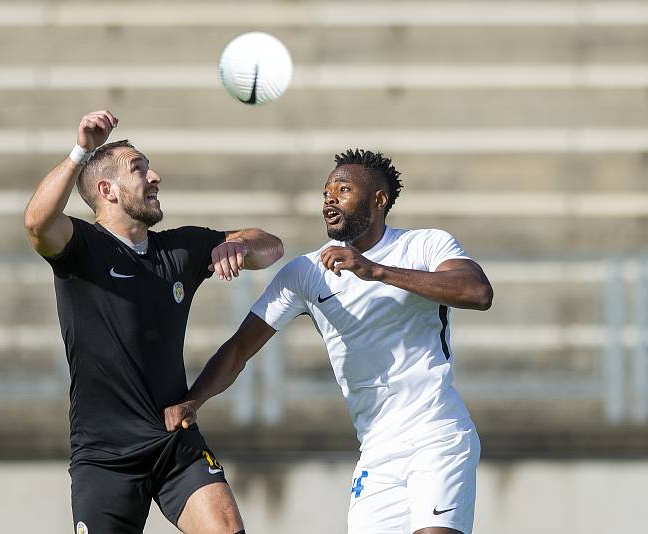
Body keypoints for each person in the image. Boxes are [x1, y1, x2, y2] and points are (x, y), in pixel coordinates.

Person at [163, 149, 493, 534]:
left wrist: (377, 271)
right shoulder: (305, 273)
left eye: (343, 189)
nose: (330, 199)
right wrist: (193, 399)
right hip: (376, 452)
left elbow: (477, 292)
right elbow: (239, 348)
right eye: (325, 193)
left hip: (436, 433)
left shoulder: (424, 245)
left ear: (379, 200)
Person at [24, 110, 283, 534]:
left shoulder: (179, 249)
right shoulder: (82, 250)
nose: (155, 176)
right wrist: (80, 152)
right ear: (107, 190)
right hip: (105, 457)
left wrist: (236, 244)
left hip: (174, 441)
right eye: (139, 168)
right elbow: (37, 223)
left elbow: (271, 247)